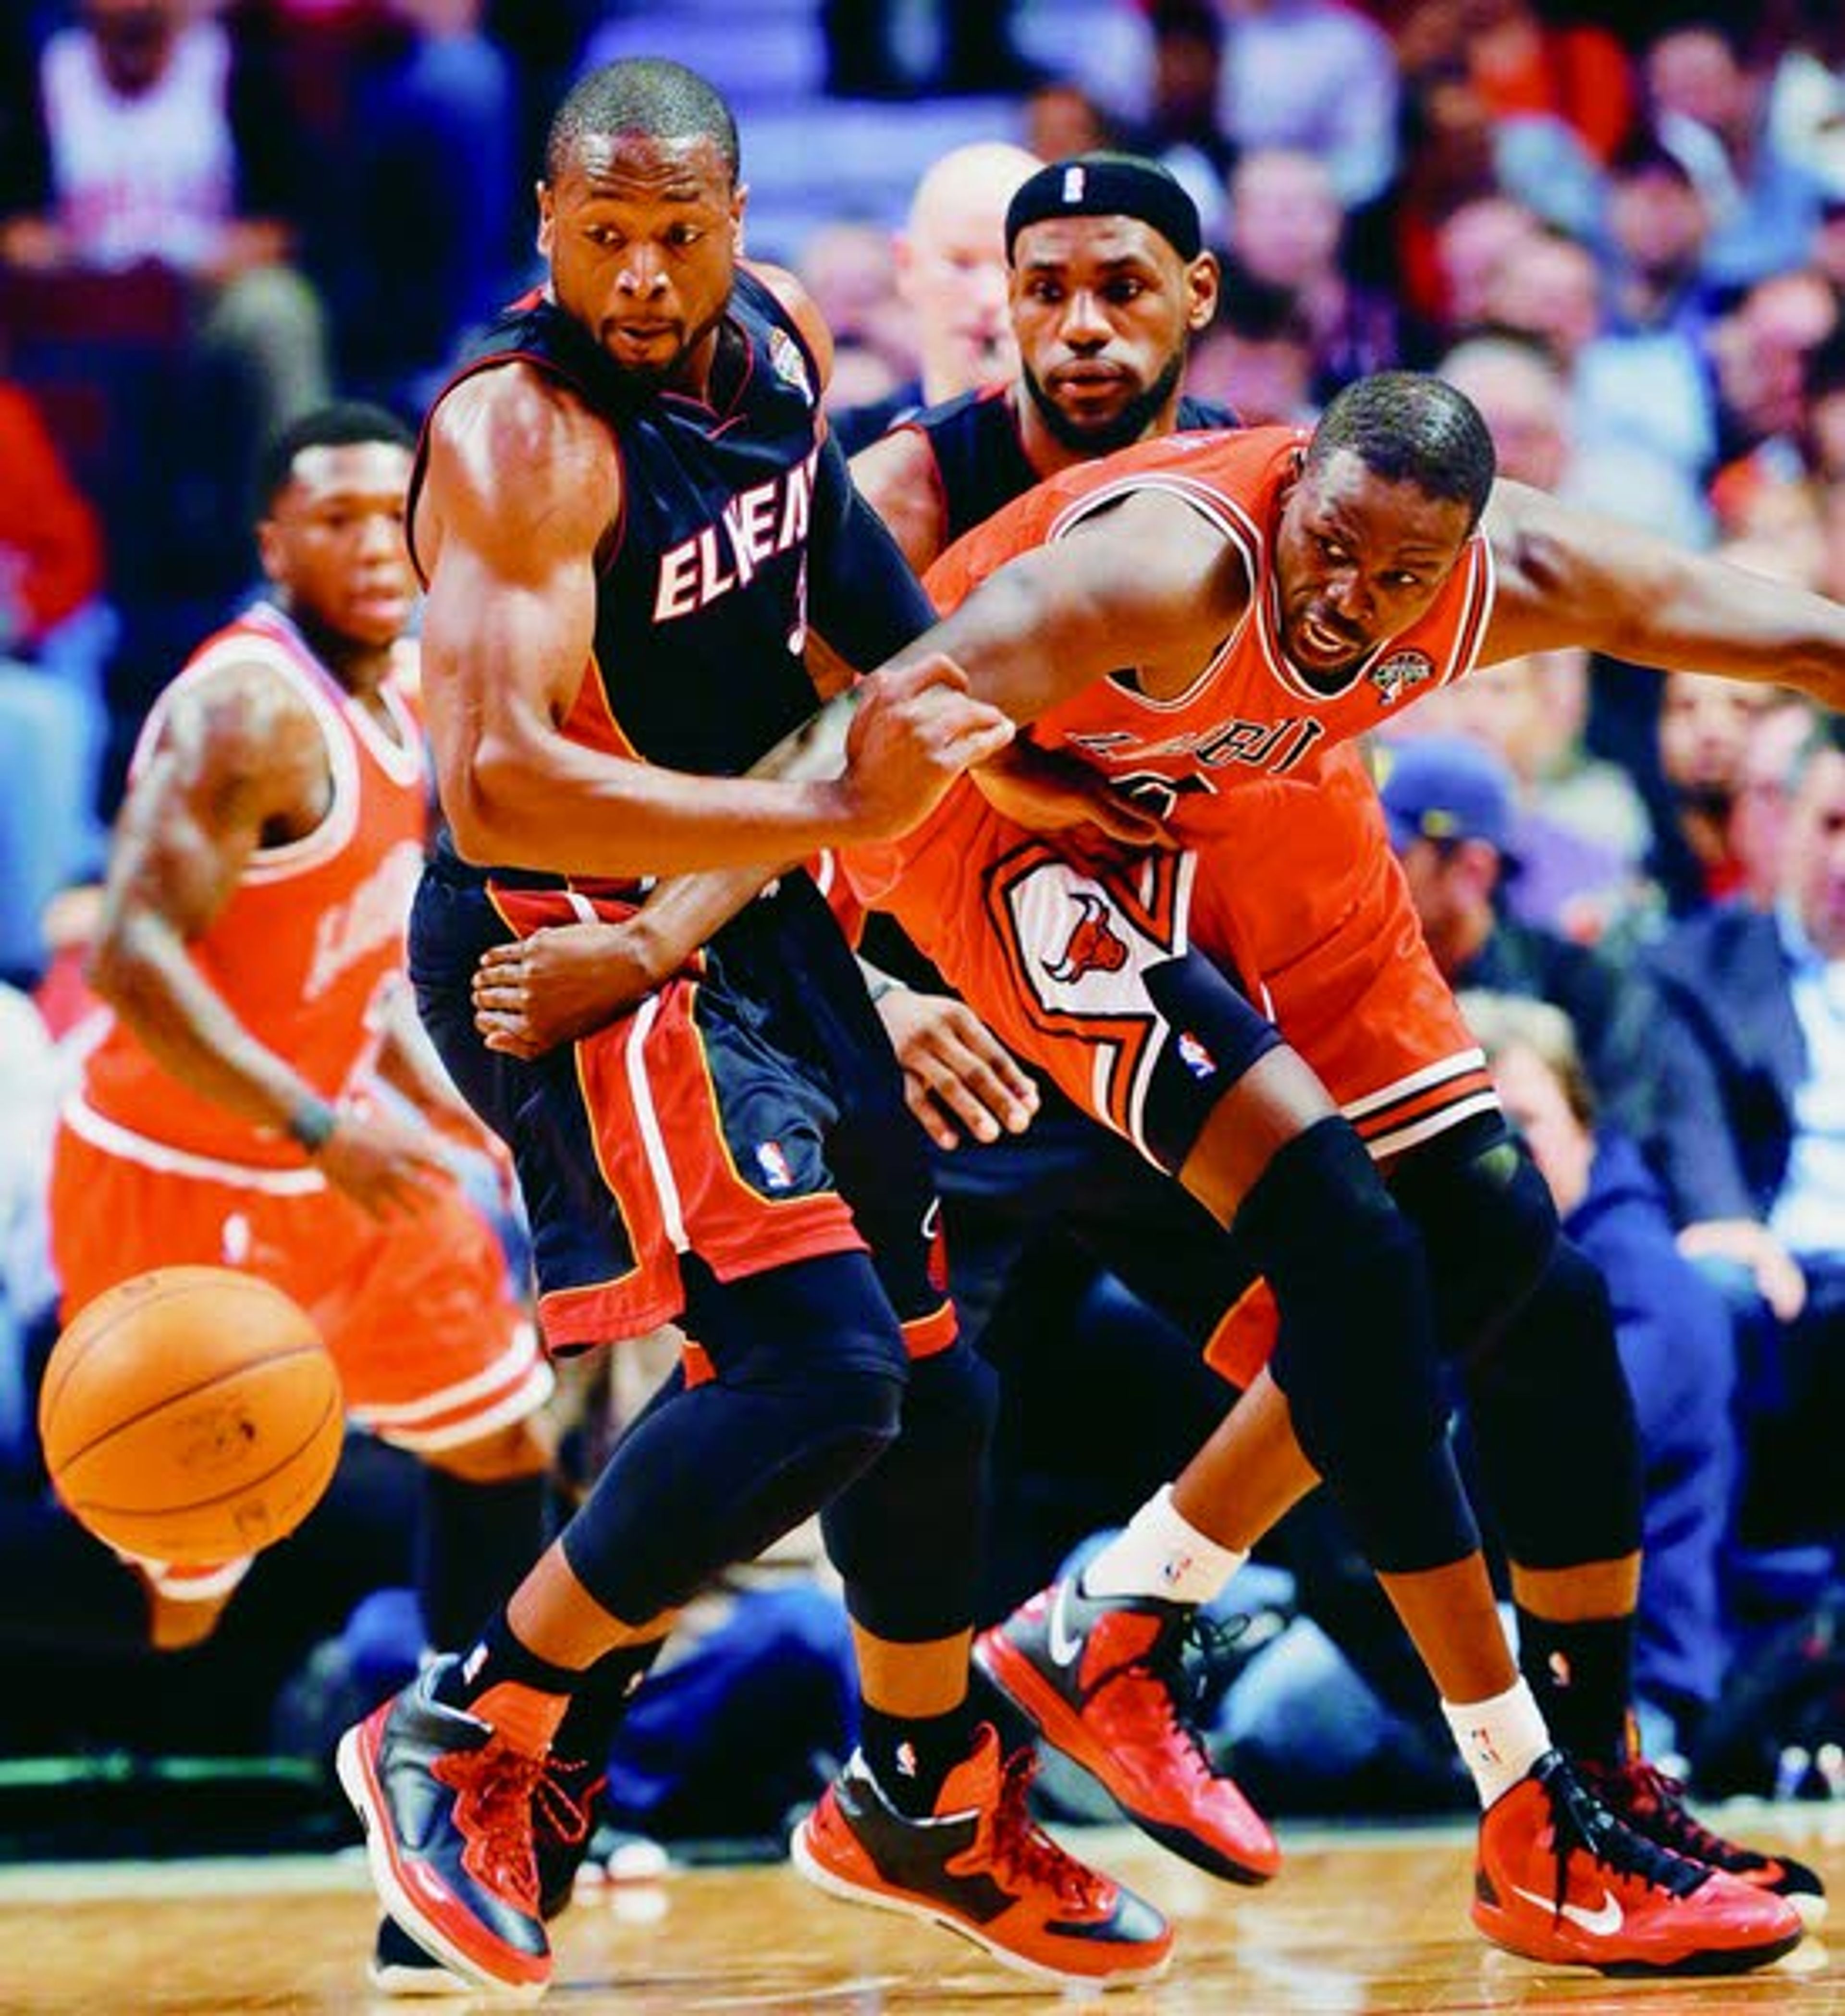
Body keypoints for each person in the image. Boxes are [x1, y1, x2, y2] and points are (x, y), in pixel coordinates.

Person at [538, 372, 1842, 1975]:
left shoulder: (1515, 580)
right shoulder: (1165, 566)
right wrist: (655, 929)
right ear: (1293, 488)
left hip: (1240, 813)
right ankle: (1503, 1803)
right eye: (1333, 550)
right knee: (1355, 1251)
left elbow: (1787, 634)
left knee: (1528, 1270)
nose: (1352, 597)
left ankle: (1577, 1775)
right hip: (996, 831)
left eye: (1399, 576)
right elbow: (862, 720)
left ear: (1465, 560)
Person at [332, 58, 1169, 2002]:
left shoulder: (773, 337)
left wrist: (1004, 752)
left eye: (677, 233)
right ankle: (467, 1731)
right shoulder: (517, 439)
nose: (641, 273)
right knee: (817, 1371)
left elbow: (852, 594)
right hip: (577, 930)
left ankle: (919, 1789)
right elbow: (500, 787)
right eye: (604, 234)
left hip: (752, 914)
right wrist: (817, 816)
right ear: (543, 219)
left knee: (938, 1391)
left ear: (734, 221)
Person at [829, 139, 1040, 456]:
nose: (988, 297)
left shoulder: (1108, 456)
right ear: (905, 264)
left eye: (1013, 265)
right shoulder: (836, 459)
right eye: (961, 264)